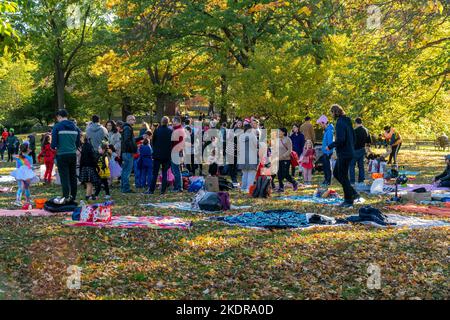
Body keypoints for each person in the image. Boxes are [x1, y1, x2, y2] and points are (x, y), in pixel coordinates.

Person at [326, 104, 358, 208]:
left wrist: (329, 146)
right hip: (348, 152)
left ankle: (348, 200)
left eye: (331, 112)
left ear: (335, 112)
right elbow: (353, 137)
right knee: (336, 173)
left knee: (343, 176)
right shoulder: (347, 121)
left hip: (345, 153)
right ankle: (353, 192)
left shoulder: (340, 123)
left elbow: (340, 139)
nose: (331, 115)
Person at [51, 110, 81, 203]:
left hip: (62, 154)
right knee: (73, 176)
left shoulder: (57, 127)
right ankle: (73, 197)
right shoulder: (76, 128)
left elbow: (53, 144)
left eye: (57, 118)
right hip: (72, 155)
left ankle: (65, 197)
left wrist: (55, 147)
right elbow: (78, 143)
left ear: (59, 116)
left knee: (64, 177)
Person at [147, 116, 173, 195]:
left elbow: (153, 142)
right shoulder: (170, 131)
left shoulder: (157, 131)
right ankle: (163, 191)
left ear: (161, 122)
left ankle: (151, 190)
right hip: (167, 155)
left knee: (155, 173)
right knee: (164, 173)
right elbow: (172, 143)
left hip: (157, 155)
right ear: (168, 122)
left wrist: (155, 150)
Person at [350, 117, 371, 186]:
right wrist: (368, 150)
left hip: (355, 150)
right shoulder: (366, 130)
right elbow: (368, 142)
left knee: (352, 166)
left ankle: (352, 181)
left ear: (356, 123)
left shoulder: (354, 131)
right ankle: (361, 180)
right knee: (361, 166)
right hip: (362, 149)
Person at [79, 134, 101, 201]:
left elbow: (83, 159)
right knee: (90, 183)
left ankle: (91, 195)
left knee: (89, 183)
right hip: (89, 166)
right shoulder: (88, 146)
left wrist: (81, 167)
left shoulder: (84, 146)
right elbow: (92, 157)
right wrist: (96, 166)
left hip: (86, 166)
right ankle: (88, 196)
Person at [120, 115, 138, 193]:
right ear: (128, 120)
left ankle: (123, 187)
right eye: (133, 120)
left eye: (134, 119)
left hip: (125, 152)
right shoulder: (127, 128)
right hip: (128, 152)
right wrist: (133, 149)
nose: (134, 121)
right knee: (127, 171)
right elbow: (127, 141)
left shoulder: (126, 128)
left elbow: (131, 140)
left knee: (125, 171)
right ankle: (126, 188)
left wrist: (140, 137)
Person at [238, 123, 258, 192]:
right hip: (251, 156)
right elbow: (256, 145)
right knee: (251, 173)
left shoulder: (241, 136)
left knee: (244, 173)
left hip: (242, 156)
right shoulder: (253, 136)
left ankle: (243, 188)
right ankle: (248, 188)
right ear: (250, 129)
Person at [277, 127, 298, 192]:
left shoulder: (288, 139)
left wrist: (283, 156)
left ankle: (294, 182)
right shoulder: (278, 139)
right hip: (278, 159)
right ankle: (281, 187)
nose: (278, 133)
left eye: (279, 131)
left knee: (285, 174)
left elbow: (290, 150)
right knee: (279, 173)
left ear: (283, 132)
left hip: (286, 159)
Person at [317, 115, 334, 186]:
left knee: (327, 167)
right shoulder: (327, 130)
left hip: (328, 152)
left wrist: (328, 152)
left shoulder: (329, 130)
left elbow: (330, 142)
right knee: (325, 167)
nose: (320, 125)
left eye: (321, 124)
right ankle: (326, 179)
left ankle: (328, 181)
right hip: (325, 151)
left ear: (324, 123)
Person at [171, 116, 185, 192]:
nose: (172, 123)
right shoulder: (179, 129)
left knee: (176, 170)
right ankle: (178, 186)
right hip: (178, 151)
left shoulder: (177, 130)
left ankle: (178, 187)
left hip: (175, 151)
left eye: (173, 121)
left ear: (178, 122)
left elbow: (173, 142)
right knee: (176, 170)